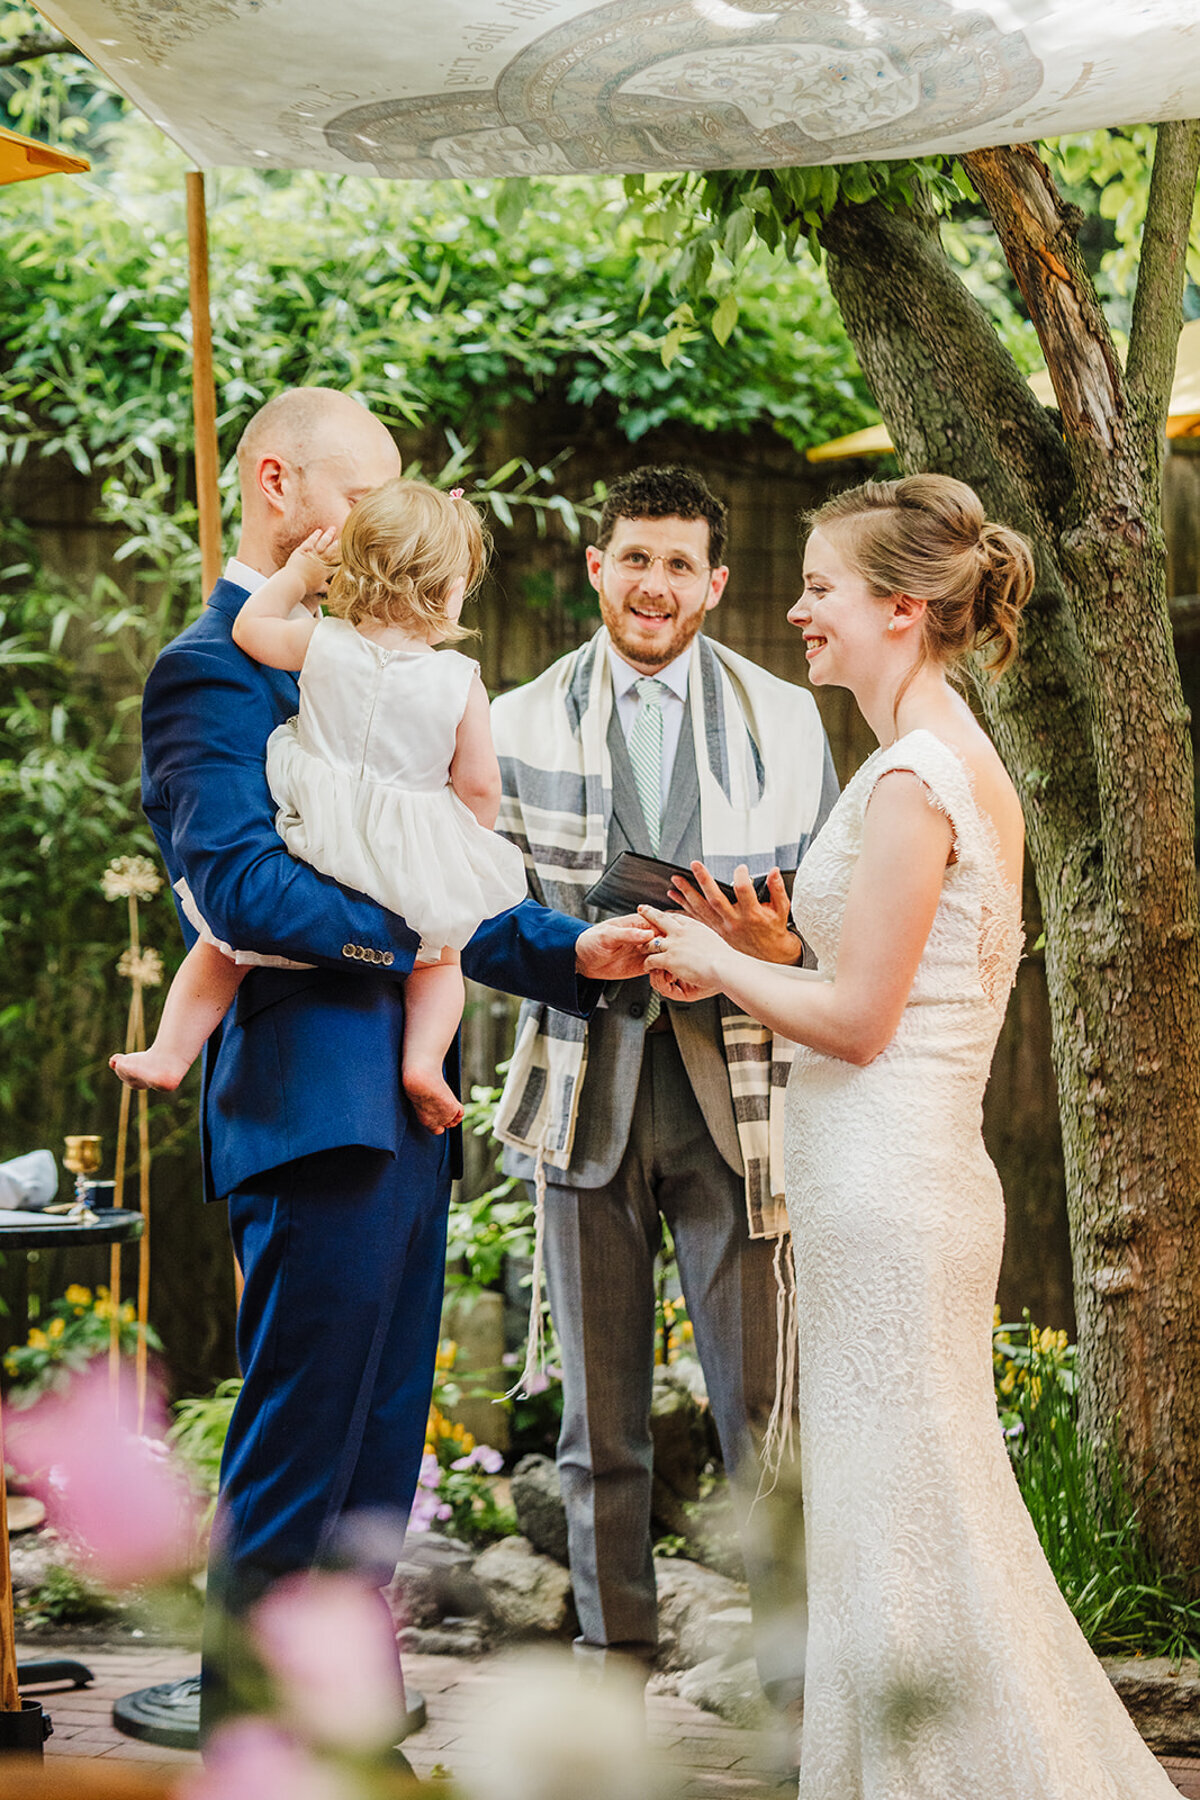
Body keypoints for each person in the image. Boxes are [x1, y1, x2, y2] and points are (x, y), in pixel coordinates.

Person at [643, 474, 1178, 1796]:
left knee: (906, 1528)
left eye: (821, 588)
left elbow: (865, 1022)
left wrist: (717, 954)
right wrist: (772, 949)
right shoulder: (937, 758)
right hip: (898, 1182)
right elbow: (889, 973)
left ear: (901, 607)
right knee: (914, 1521)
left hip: (889, 1190)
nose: (797, 608)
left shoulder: (913, 775)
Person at [136, 386, 649, 1737]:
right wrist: (420, 934)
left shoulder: (390, 657)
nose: (383, 519)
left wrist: (565, 954)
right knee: (306, 1438)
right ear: (276, 485)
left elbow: (432, 848)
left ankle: (350, 1704)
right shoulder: (220, 668)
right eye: (362, 494)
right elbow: (247, 895)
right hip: (308, 1110)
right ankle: (251, 1718)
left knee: (380, 1436)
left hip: (407, 1120)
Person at [490, 464, 838, 1691]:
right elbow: (478, 916)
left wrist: (743, 957)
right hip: (585, 1091)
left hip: (736, 1100)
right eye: (634, 557)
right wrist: (588, 951)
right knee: (600, 1425)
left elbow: (822, 927)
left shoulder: (784, 719)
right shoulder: (514, 720)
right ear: (597, 567)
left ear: (716, 583)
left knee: (762, 1412)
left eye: (679, 563)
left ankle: (801, 1675)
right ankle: (611, 1653)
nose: (654, 583)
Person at [112, 478, 525, 1134]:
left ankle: (168, 1054)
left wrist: (296, 573)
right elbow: (478, 787)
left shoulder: (324, 643)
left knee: (222, 945)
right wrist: (460, 841)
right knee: (441, 960)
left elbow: (251, 626)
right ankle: (424, 1064)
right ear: (453, 591)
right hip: (401, 859)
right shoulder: (459, 682)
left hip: (313, 839)